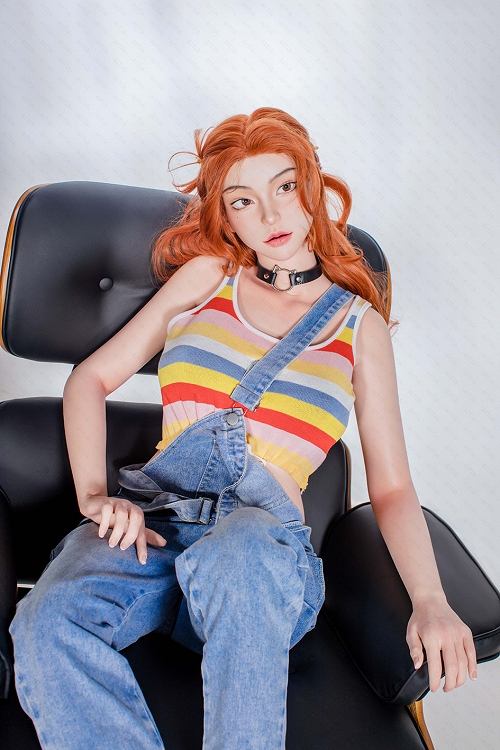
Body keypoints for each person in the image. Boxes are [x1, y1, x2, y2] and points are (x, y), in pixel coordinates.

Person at [9, 107, 477, 750]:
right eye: (242, 200)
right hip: (155, 524)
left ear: (312, 187)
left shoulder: (358, 326)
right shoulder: (209, 278)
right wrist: (94, 494)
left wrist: (430, 600)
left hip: (260, 549)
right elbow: (89, 379)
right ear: (225, 216)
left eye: (285, 187)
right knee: (47, 621)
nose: (270, 215)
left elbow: (392, 488)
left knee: (242, 548)